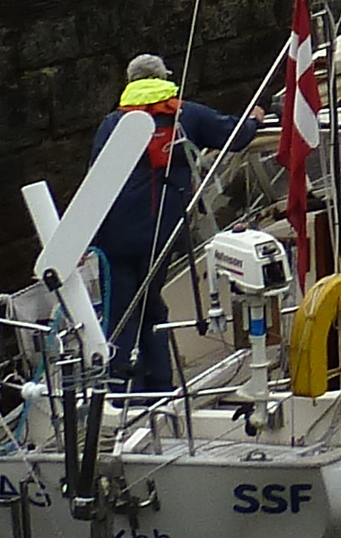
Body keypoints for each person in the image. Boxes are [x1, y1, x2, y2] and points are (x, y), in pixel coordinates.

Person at [89, 53, 242, 390]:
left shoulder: (112, 124)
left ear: (131, 83)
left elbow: (95, 182)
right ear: (162, 78)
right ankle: (158, 382)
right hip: (161, 235)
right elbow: (236, 134)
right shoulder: (186, 115)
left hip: (115, 237)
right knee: (151, 304)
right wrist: (257, 118)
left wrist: (90, 240)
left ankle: (116, 388)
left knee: (119, 314)